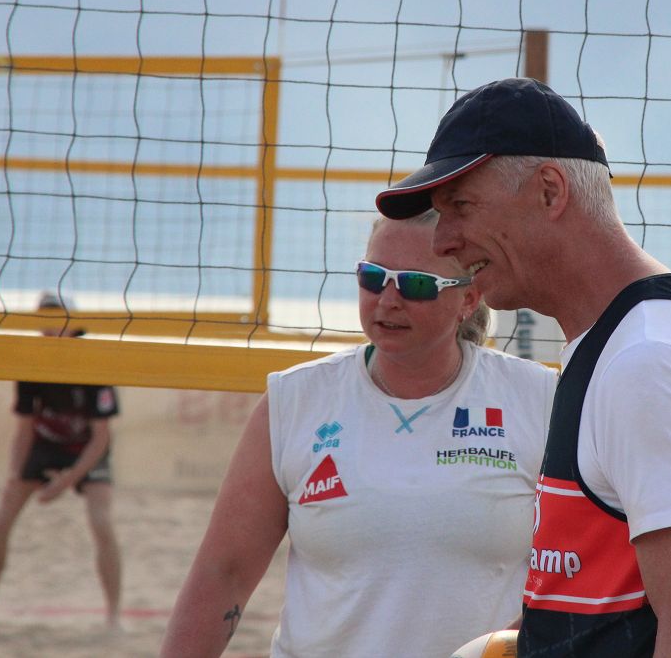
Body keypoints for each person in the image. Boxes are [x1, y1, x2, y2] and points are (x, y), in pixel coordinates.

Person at [376, 77, 671, 657]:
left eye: (460, 207)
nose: (442, 242)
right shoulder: (626, 339)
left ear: (549, 191)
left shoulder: (648, 360)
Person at [160, 210, 557, 657]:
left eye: (415, 284)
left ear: (469, 298)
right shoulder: (296, 400)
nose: (388, 300)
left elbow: (582, 573)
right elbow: (223, 574)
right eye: (373, 278)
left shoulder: (537, 398)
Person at [0, 292, 122, 631]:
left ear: (74, 324)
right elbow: (24, 429)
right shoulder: (32, 360)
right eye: (45, 319)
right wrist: (15, 474)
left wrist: (66, 481)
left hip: (87, 449)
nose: (50, 326)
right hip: (46, 445)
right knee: (1, 522)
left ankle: (113, 616)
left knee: (102, 522)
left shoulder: (94, 362)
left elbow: (101, 438)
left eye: (57, 319)